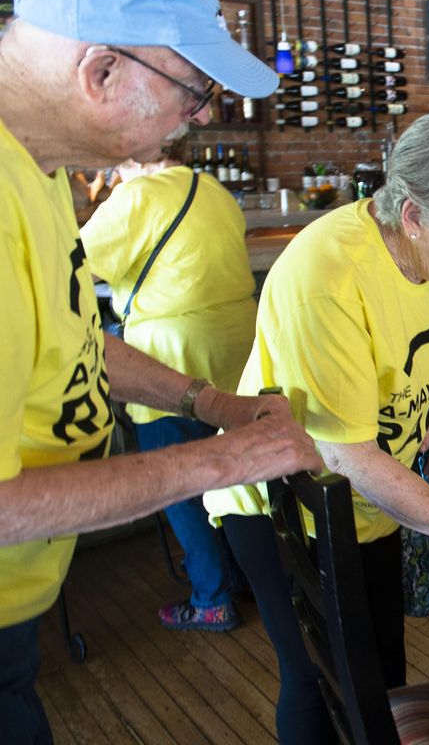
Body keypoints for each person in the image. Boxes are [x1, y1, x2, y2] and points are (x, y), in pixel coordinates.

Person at [0, 0, 320, 741]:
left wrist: (207, 403)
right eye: (193, 89)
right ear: (101, 72)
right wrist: (223, 462)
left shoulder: (37, 167)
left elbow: (78, 338)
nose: (203, 114)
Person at [203, 109, 429, 745]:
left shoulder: (422, 253)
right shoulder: (332, 276)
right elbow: (346, 455)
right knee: (323, 683)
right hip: (286, 503)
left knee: (381, 677)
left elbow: (414, 346)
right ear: (412, 215)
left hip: (366, 505)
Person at [81, 137, 255, 633]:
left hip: (172, 359)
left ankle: (212, 598)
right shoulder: (215, 189)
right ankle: (246, 576)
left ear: (131, 156)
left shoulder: (138, 196)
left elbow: (75, 263)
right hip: (236, 350)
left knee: (179, 481)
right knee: (233, 476)